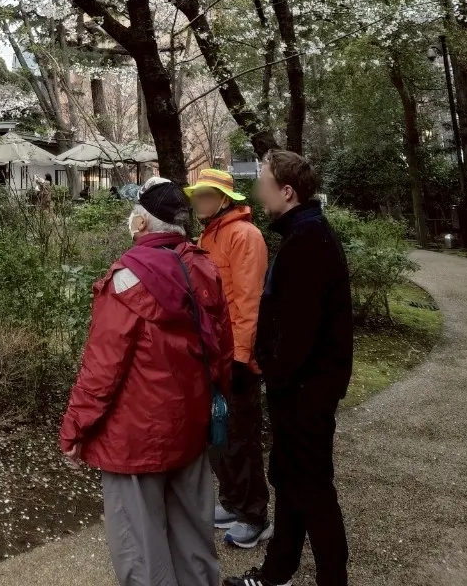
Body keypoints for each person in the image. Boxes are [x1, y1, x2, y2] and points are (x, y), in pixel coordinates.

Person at [60, 178, 233, 586]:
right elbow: (223, 349)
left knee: (140, 548)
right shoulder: (203, 267)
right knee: (194, 540)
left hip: (134, 437)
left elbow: (102, 368)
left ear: (141, 223)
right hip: (189, 427)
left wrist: (75, 427)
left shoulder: (126, 279)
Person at [225, 151, 353, 586]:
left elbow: (298, 330)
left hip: (305, 391)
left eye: (264, 181)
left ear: (287, 191)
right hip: (298, 389)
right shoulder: (302, 234)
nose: (258, 189)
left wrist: (273, 372)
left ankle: (332, 579)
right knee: (290, 479)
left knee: (313, 489)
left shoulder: (309, 242)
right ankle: (277, 571)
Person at [186, 167, 270, 550]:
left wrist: (241, 356)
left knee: (240, 438)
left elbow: (249, 301)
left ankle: (254, 515)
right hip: (213, 355)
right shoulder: (209, 234)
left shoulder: (244, 235)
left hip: (236, 358)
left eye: (207, 195)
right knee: (219, 436)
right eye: (198, 195)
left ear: (224, 199)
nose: (201, 201)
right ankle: (233, 502)